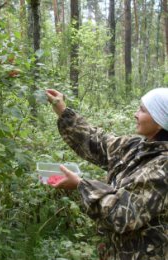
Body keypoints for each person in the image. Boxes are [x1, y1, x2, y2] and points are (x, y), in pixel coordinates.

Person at [46, 88, 168, 260]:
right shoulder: (136, 147)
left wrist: (82, 185)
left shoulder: (162, 168)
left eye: (142, 110)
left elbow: (123, 214)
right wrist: (62, 110)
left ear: (160, 120)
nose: (135, 114)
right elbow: (96, 141)